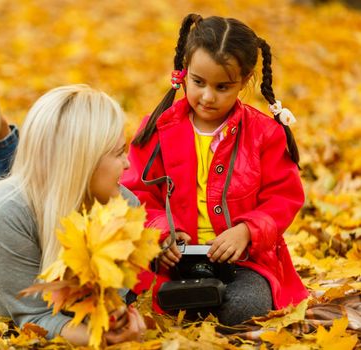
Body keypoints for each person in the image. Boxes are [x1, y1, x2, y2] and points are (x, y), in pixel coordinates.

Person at [0, 46, 146, 346]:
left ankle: (0, 136)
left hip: (21, 216)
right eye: (118, 153)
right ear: (84, 162)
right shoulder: (7, 209)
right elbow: (33, 317)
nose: (128, 164)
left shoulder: (123, 204)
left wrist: (118, 318)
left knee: (32, 181)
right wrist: (100, 339)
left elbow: (105, 300)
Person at [121, 14, 309, 325]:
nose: (207, 96)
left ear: (245, 80)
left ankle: (209, 306)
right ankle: (189, 304)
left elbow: (284, 198)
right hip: (170, 259)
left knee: (244, 307)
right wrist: (160, 233)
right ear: (184, 72)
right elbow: (134, 192)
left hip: (243, 261)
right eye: (198, 82)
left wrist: (246, 231)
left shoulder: (265, 134)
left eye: (222, 86)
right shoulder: (157, 128)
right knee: (142, 300)